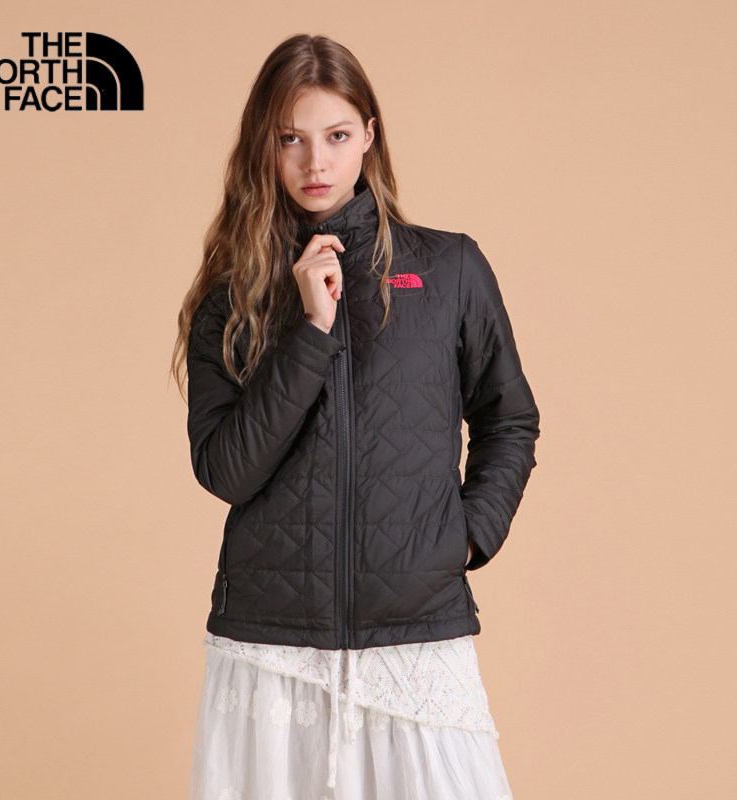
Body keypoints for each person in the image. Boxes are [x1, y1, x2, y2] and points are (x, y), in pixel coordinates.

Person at [171, 33, 540, 800]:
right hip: (272, 649)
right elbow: (226, 469)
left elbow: (509, 418)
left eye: (337, 135)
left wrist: (465, 537)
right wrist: (309, 328)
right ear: (265, 147)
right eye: (292, 139)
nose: (316, 162)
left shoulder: (449, 269)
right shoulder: (232, 297)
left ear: (369, 135)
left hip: (416, 636)